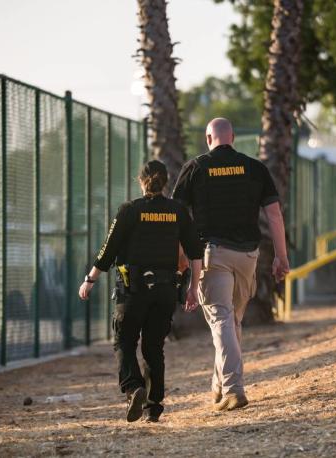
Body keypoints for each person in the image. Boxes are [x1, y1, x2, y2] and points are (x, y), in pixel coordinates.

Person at [172, 118, 289, 411]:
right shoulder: (255, 168)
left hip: (213, 255)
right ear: (233, 137)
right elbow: (275, 215)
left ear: (208, 138)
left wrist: (180, 258)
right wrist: (281, 256)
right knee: (232, 321)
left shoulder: (195, 168)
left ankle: (234, 388)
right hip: (248, 256)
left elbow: (178, 216)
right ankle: (218, 387)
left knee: (222, 319)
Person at [78, 160, 203, 423]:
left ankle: (134, 387)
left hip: (132, 291)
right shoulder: (178, 211)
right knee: (154, 347)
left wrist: (89, 280)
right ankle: (153, 406)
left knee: (124, 342)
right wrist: (193, 288)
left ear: (140, 180)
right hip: (166, 290)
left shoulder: (129, 210)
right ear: (166, 182)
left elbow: (107, 250)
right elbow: (195, 253)